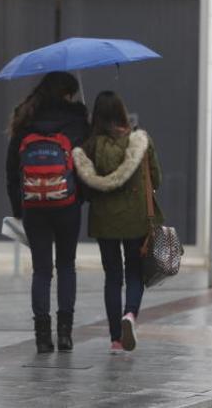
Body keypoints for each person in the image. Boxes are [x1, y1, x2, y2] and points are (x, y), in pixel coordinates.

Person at [72, 91, 163, 354]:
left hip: (104, 222)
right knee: (134, 271)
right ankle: (130, 315)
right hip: (136, 218)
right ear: (122, 112)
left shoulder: (88, 147)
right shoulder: (139, 141)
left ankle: (115, 339)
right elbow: (155, 179)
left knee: (112, 276)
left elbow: (85, 190)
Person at [6, 71, 89, 354]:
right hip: (68, 204)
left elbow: (10, 170)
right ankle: (65, 334)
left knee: (41, 270)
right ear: (68, 93)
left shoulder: (26, 118)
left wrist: (19, 207)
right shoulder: (77, 120)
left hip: (33, 207)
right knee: (66, 265)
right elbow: (84, 163)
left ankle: (42, 336)